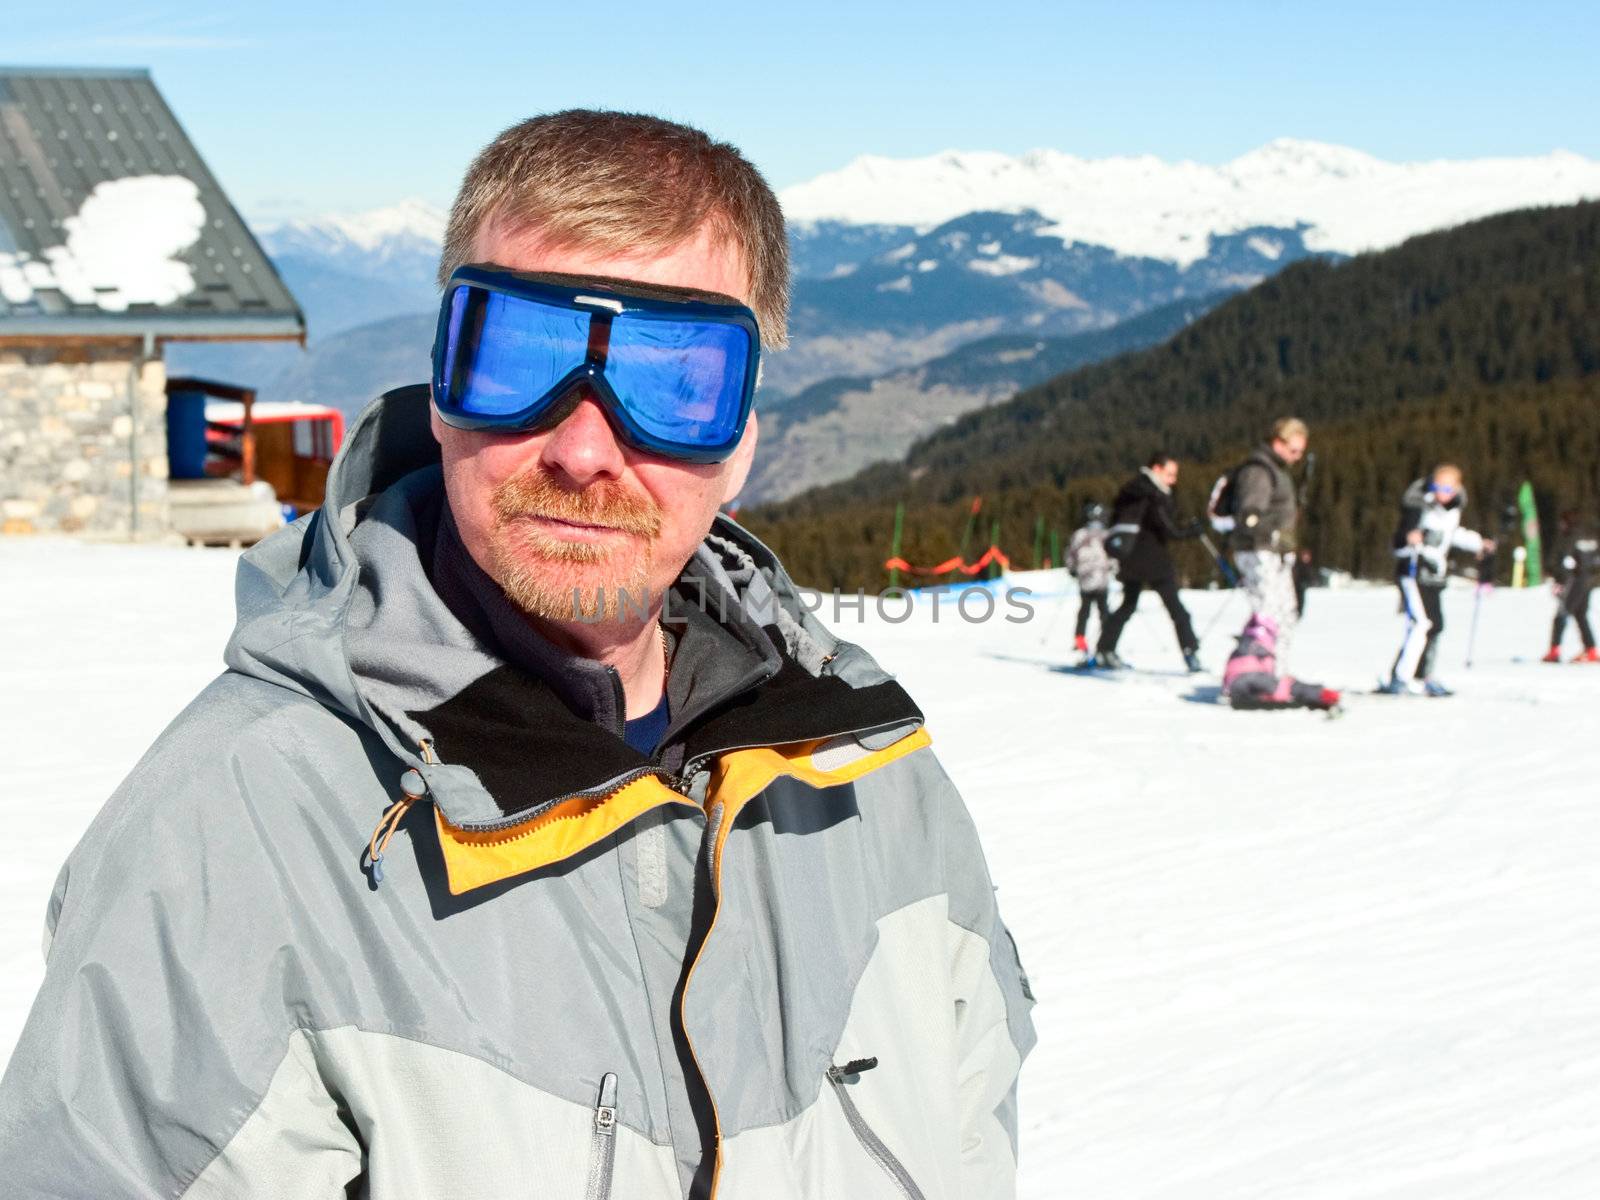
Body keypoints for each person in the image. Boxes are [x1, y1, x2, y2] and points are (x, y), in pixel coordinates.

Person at [0, 111, 1035, 1198]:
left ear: (739, 446)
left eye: (675, 379)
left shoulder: (871, 783)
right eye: (515, 358)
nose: (585, 448)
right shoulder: (233, 836)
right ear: (439, 398)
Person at [1381, 463, 1495, 696]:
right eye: (1437, 486)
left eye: (1446, 487)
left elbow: (1451, 536)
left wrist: (1478, 543)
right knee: (1421, 624)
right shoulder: (1418, 507)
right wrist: (1408, 540)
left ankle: (1423, 675)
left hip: (1434, 576)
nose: (1440, 491)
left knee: (1436, 625)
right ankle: (1402, 677)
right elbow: (1398, 543)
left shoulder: (1451, 512)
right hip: (1413, 572)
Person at [1096, 451, 1204, 672]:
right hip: (1154, 560)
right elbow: (1166, 527)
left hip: (1130, 558)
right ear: (1156, 469)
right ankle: (1190, 653)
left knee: (1127, 605)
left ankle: (1104, 649)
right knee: (1176, 609)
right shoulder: (1152, 493)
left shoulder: (1131, 489)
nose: (1173, 480)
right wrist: (1190, 532)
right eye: (1170, 474)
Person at [1228, 418, 1308, 667]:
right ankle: (1254, 667)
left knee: (1286, 612)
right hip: (1258, 551)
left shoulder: (1277, 470)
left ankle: (1274, 669)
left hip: (1276, 553)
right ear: (1278, 442)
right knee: (1268, 613)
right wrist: (1270, 534)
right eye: (1294, 450)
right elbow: (1249, 513)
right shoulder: (1259, 470)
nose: (1297, 457)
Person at [1222, 614, 1341, 712]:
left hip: (1234, 686)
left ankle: (1319, 694)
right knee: (1288, 686)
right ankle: (1322, 694)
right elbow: (1278, 686)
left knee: (1284, 685)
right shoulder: (1260, 647)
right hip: (1248, 683)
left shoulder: (1245, 646)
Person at [1543, 511, 1599, 663]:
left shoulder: (1569, 538)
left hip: (1573, 581)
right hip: (1589, 581)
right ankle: (1591, 650)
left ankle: (1554, 651)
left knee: (1562, 614)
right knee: (1581, 615)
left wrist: (1558, 577)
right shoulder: (1589, 537)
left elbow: (1565, 561)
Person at [1066, 500, 1115, 658]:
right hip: (1098, 579)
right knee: (1101, 611)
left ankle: (1083, 639)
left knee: (1086, 610)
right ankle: (1106, 642)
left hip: (1088, 578)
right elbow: (1114, 555)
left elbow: (1070, 554)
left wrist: (1072, 569)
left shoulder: (1081, 534)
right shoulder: (1105, 535)